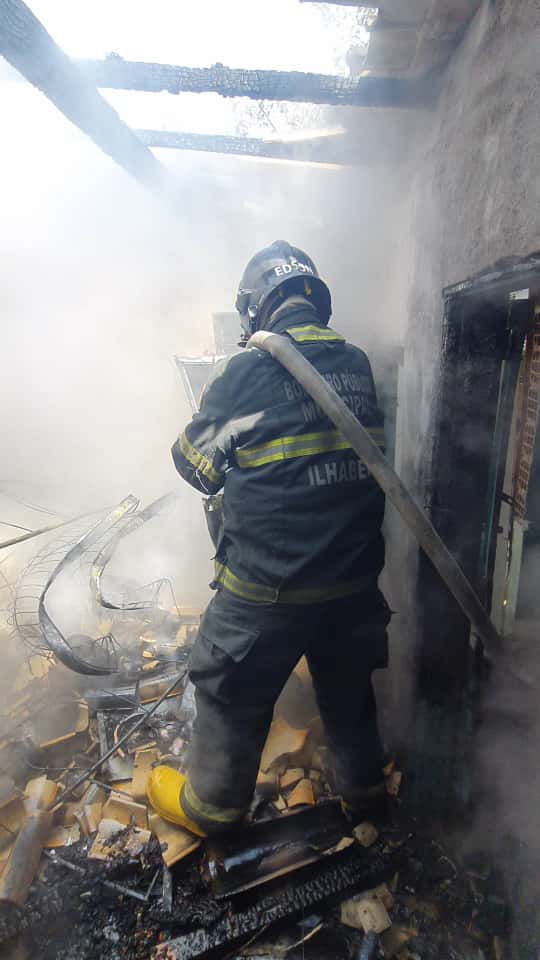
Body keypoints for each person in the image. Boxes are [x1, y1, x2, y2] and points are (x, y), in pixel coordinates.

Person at [147, 241, 390, 836]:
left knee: (230, 691)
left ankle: (213, 807)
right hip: (353, 583)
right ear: (314, 298)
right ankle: (363, 792)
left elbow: (193, 465)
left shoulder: (248, 371)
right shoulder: (357, 364)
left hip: (267, 591)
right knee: (347, 690)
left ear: (256, 309)